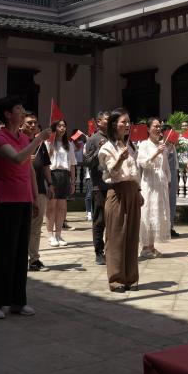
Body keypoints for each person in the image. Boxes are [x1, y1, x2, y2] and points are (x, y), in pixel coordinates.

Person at [0, 96, 50, 319]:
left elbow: (30, 169)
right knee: (3, 252)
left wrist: (34, 196)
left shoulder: (23, 137)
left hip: (23, 200)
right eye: (19, 109)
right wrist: (38, 139)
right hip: (6, 201)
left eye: (23, 108)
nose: (23, 112)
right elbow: (16, 159)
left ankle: (17, 301)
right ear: (7, 114)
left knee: (20, 252)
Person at [99, 108, 142, 292]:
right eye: (123, 122)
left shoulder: (131, 146)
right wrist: (119, 159)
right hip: (117, 192)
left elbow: (135, 172)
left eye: (128, 122)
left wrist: (138, 191)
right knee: (116, 236)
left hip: (132, 191)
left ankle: (131, 277)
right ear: (114, 124)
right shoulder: (107, 147)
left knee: (132, 235)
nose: (127, 125)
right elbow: (111, 171)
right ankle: (116, 279)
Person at [137, 118, 171, 258]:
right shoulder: (144, 144)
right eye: (155, 126)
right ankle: (145, 247)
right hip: (149, 183)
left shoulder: (162, 144)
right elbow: (143, 163)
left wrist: (168, 181)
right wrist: (156, 152)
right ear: (148, 129)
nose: (158, 129)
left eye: (159, 127)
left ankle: (151, 246)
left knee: (157, 213)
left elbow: (165, 166)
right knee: (148, 212)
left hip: (160, 183)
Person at [24, 113, 52, 272]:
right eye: (29, 122)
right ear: (21, 124)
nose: (32, 125)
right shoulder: (19, 142)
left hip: (40, 190)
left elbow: (46, 166)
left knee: (36, 227)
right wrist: (27, 159)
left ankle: (34, 259)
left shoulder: (41, 145)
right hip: (22, 191)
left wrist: (50, 184)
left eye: (35, 122)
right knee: (23, 227)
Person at [84, 111, 110, 265]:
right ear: (99, 122)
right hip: (99, 186)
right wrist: (99, 151)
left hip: (114, 184)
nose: (110, 121)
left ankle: (111, 250)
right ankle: (99, 252)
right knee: (99, 220)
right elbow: (87, 162)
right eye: (107, 119)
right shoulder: (93, 139)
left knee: (113, 220)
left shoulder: (114, 138)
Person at [45, 119, 75, 247]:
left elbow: (72, 164)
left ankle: (58, 234)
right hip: (52, 174)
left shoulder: (69, 144)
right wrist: (50, 150)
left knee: (61, 207)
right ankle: (50, 235)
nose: (62, 128)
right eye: (59, 126)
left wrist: (73, 181)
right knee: (51, 206)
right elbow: (45, 163)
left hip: (64, 175)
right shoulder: (48, 143)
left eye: (64, 126)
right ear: (54, 127)